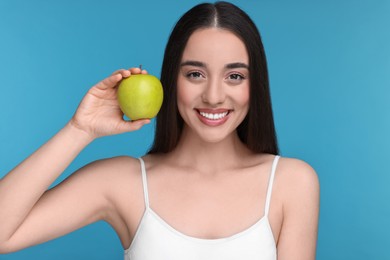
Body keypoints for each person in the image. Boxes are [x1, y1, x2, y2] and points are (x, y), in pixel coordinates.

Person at [0, 1, 319, 259]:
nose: (213, 96)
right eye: (195, 74)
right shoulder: (121, 182)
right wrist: (79, 129)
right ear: (171, 81)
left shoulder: (291, 182)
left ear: (256, 85)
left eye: (234, 76)